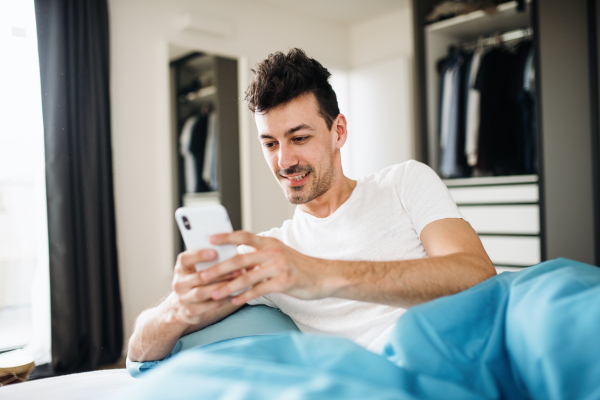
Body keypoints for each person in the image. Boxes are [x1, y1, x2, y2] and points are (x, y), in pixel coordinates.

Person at [127, 48, 496, 362]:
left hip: (457, 352)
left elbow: (478, 277)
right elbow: (139, 351)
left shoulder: (404, 183)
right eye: (270, 144)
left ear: (339, 132)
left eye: (299, 138)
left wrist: (316, 275)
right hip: (381, 380)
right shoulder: (270, 255)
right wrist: (178, 309)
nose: (285, 161)